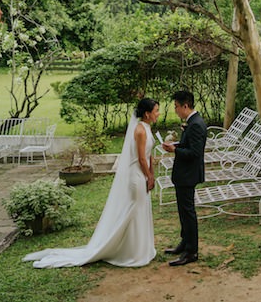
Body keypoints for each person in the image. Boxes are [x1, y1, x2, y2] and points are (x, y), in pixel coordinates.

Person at [23, 98, 160, 268]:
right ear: (147, 113)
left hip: (144, 174)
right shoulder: (140, 130)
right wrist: (149, 176)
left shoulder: (148, 127)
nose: (158, 114)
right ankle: (128, 251)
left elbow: (149, 155)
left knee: (141, 211)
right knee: (134, 212)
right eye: (156, 111)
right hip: (137, 177)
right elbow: (140, 158)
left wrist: (152, 173)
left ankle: (141, 249)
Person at [161, 90, 206, 266]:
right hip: (184, 174)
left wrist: (175, 150)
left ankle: (191, 251)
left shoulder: (195, 124)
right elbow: (189, 145)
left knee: (188, 213)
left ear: (185, 106)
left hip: (188, 174)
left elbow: (195, 153)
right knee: (183, 211)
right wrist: (177, 145)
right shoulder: (192, 122)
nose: (176, 110)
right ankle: (184, 243)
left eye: (177, 107)